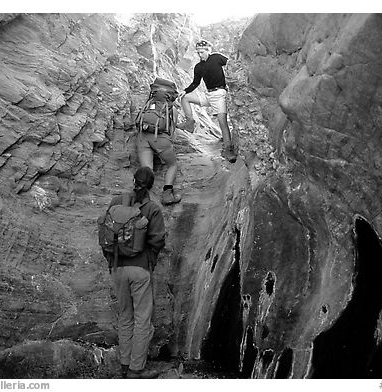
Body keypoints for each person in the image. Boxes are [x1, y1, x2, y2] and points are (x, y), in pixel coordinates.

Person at [105, 167, 166, 379]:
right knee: (142, 320)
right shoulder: (152, 209)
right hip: (140, 269)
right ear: (151, 185)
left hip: (118, 268)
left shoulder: (116, 203)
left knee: (125, 317)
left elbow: (107, 234)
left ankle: (123, 363)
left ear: (133, 180)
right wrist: (150, 259)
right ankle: (135, 369)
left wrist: (112, 261)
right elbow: (158, 240)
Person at [177, 39, 238, 163]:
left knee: (222, 122)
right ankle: (189, 122)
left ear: (208, 50)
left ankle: (228, 148)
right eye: (198, 52)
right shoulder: (198, 67)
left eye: (202, 52)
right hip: (208, 94)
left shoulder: (216, 58)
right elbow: (195, 83)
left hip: (220, 94)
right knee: (185, 98)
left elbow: (231, 64)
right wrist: (186, 90)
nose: (200, 55)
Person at [137, 108, 182, 205]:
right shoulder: (171, 109)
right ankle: (167, 194)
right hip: (160, 139)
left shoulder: (148, 105)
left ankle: (144, 199)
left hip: (142, 137)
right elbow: (171, 130)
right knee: (172, 165)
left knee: (146, 170)